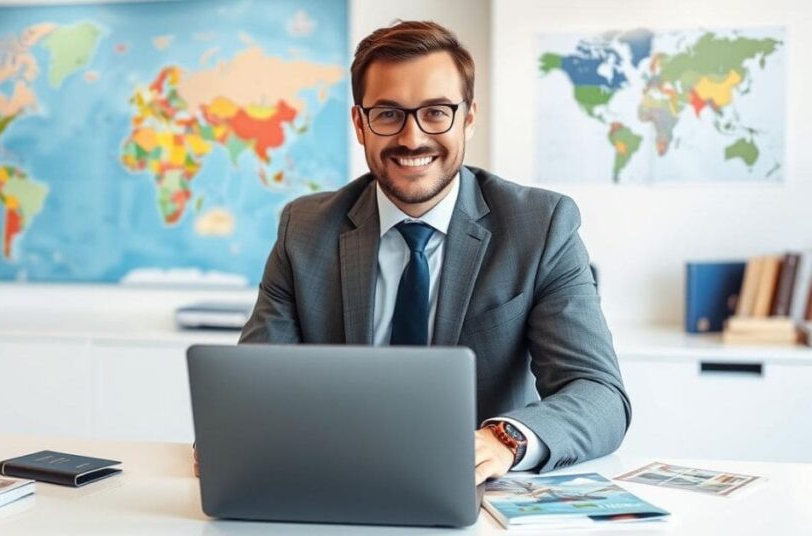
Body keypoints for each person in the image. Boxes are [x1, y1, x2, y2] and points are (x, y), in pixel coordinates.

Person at [236, 20, 631, 485]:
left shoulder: (540, 226)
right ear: (359, 125)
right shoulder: (304, 229)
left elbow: (599, 393)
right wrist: (236, 435)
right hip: (338, 483)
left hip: (472, 490)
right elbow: (254, 387)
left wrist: (506, 440)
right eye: (388, 114)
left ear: (468, 117)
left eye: (436, 112)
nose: (412, 138)